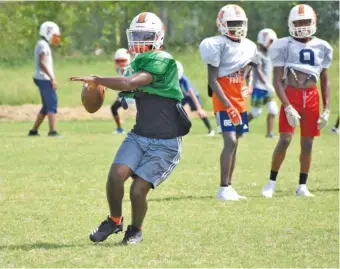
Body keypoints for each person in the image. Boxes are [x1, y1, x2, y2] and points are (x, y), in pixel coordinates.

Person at [70, 12, 191, 244]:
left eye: (145, 35)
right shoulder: (135, 62)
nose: (139, 39)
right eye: (136, 35)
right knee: (115, 176)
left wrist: (98, 78)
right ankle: (114, 221)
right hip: (140, 135)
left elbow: (130, 83)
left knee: (138, 189)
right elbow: (120, 89)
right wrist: (93, 90)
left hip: (166, 142)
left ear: (157, 37)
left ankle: (135, 230)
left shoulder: (163, 59)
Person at [261, 4, 333, 198]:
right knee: (285, 140)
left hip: (311, 97)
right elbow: (277, 80)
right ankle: (271, 182)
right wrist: (287, 105)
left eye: (305, 22)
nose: (302, 26)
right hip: (291, 93)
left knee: (308, 143)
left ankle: (302, 185)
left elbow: (325, 80)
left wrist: (326, 108)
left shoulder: (323, 46)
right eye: (298, 22)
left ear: (314, 22)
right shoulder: (283, 44)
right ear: (290, 23)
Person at [199, 4, 257, 201]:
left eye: (240, 23)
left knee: (236, 142)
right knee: (230, 141)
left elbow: (249, 69)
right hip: (223, 99)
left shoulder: (249, 45)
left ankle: (229, 187)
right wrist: (227, 103)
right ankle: (223, 187)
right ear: (222, 24)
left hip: (239, 98)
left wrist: (248, 84)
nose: (237, 27)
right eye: (232, 23)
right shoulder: (216, 44)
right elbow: (212, 79)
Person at [29, 21, 61, 137]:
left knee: (46, 106)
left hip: (42, 78)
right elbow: (42, 63)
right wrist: (52, 78)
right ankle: (52, 131)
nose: (56, 38)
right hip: (44, 79)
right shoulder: (43, 45)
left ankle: (33, 131)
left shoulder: (42, 44)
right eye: (54, 35)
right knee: (52, 103)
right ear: (48, 33)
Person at [248, 29, 279, 138]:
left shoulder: (270, 54)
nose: (272, 44)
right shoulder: (257, 54)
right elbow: (258, 70)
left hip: (268, 88)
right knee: (256, 112)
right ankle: (240, 127)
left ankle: (269, 134)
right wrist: (266, 84)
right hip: (259, 88)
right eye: (271, 41)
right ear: (264, 40)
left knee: (273, 110)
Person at [176, 61, 215, 136]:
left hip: (192, 96)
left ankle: (211, 129)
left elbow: (191, 93)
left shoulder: (184, 79)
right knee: (174, 110)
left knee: (200, 112)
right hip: (182, 96)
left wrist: (198, 107)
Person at [110, 48, 134, 134]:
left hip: (135, 93)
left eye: (123, 61)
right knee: (113, 108)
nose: (120, 63)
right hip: (125, 94)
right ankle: (119, 129)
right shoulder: (119, 69)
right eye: (118, 61)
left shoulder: (132, 69)